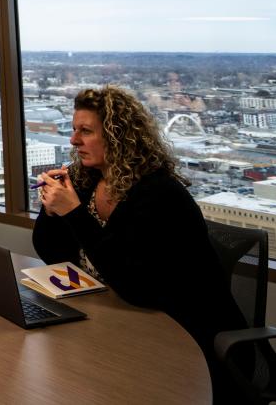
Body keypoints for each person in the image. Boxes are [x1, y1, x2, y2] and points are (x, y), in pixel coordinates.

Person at [33, 86, 246, 404]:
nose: (73, 140)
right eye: (75, 129)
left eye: (86, 131)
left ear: (117, 136)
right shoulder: (88, 179)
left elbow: (136, 285)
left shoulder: (158, 195)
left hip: (181, 338)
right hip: (116, 322)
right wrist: (52, 212)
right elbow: (52, 253)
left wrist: (75, 213)